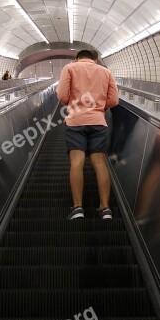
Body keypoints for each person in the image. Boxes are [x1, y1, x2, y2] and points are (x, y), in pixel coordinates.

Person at [56, 50, 119, 220]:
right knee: (99, 162)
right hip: (98, 122)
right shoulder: (106, 72)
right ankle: (105, 209)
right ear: (95, 59)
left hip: (75, 121)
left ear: (76, 58)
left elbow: (62, 96)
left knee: (77, 162)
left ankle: (78, 208)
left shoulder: (70, 68)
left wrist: (72, 103)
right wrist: (99, 107)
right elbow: (114, 100)